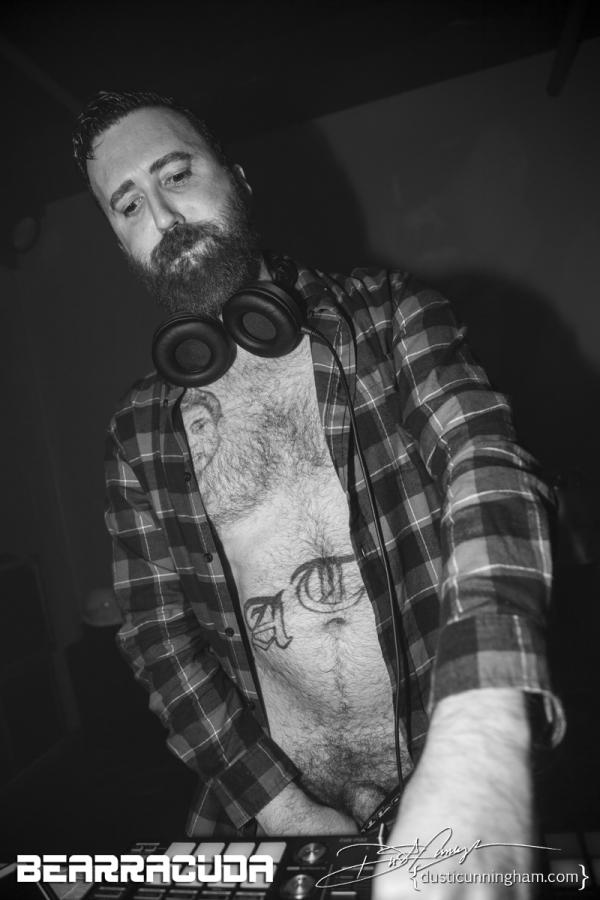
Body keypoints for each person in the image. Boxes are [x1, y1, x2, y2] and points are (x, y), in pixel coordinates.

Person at [73, 90, 564, 895]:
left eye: (177, 174)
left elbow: (487, 465)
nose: (162, 216)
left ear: (237, 179)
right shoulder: (137, 433)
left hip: (449, 781)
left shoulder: (392, 317)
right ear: (119, 237)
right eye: (128, 204)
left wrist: (482, 733)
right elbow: (159, 636)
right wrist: (285, 810)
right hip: (263, 813)